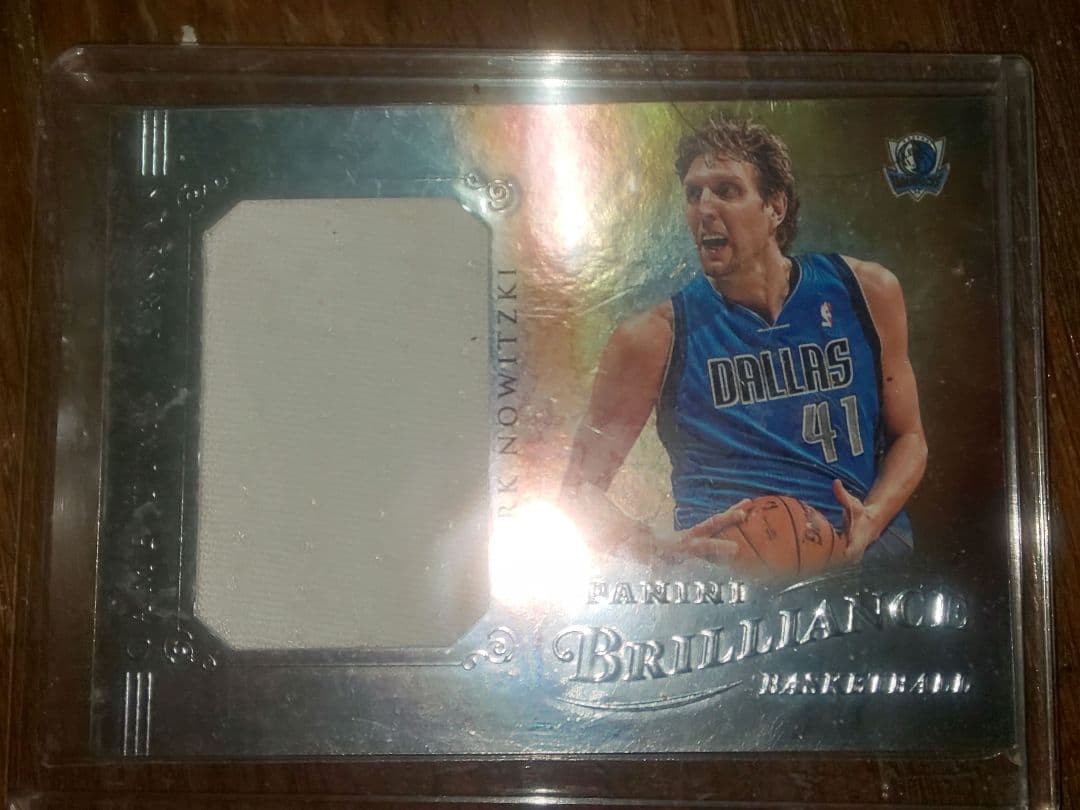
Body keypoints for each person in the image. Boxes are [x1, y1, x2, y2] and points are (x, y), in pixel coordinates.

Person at [561, 116, 927, 566]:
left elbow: (910, 437)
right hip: (731, 583)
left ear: (775, 207)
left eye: (726, 190)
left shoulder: (866, 291)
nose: (704, 208)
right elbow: (577, 492)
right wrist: (652, 543)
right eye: (693, 194)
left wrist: (872, 516)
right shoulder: (654, 337)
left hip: (862, 561)